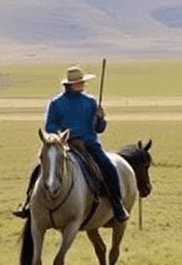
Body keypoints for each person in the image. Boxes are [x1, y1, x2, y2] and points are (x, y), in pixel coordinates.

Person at [12, 65, 129, 222]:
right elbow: (50, 126)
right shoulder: (56, 103)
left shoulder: (91, 102)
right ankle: (27, 203)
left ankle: (117, 205)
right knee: (39, 168)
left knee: (108, 167)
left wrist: (101, 118)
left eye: (82, 82)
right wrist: (63, 134)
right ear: (69, 84)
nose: (81, 85)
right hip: (64, 143)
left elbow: (99, 128)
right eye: (78, 82)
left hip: (89, 144)